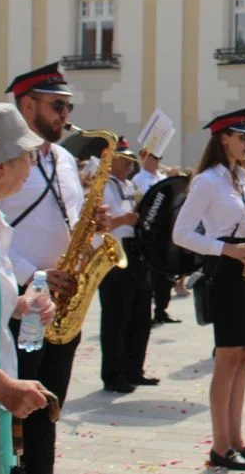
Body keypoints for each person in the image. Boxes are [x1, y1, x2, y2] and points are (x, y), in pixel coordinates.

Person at [0, 63, 110, 474]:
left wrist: (95, 230)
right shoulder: (3, 157)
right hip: (19, 300)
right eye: (58, 106)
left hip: (61, 301)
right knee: (14, 409)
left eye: (68, 106)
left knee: (49, 406)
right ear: (28, 105)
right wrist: (33, 275)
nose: (66, 115)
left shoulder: (64, 158)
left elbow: (70, 221)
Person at [172, 108, 245, 470]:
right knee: (227, 356)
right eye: (242, 137)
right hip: (225, 267)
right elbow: (181, 233)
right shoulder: (207, 180)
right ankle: (219, 445)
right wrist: (227, 249)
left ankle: (237, 438)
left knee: (244, 353)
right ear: (223, 139)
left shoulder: (241, 178)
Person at [0, 102, 55, 474]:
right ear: (1, 167)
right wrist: (6, 388)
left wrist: (23, 303)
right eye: (27, 156)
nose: (33, 163)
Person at [99, 138, 159, 393]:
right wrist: (124, 218)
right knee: (117, 317)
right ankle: (113, 374)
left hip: (135, 253)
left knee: (140, 316)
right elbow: (99, 224)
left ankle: (135, 369)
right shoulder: (104, 187)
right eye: (122, 159)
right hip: (114, 254)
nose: (128, 164)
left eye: (129, 160)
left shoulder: (130, 185)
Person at [133, 148, 185, 319]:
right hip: (148, 232)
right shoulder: (138, 180)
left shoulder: (161, 178)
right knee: (149, 276)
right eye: (154, 157)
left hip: (164, 231)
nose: (158, 161)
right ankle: (146, 312)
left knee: (164, 275)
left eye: (159, 158)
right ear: (145, 158)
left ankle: (161, 310)